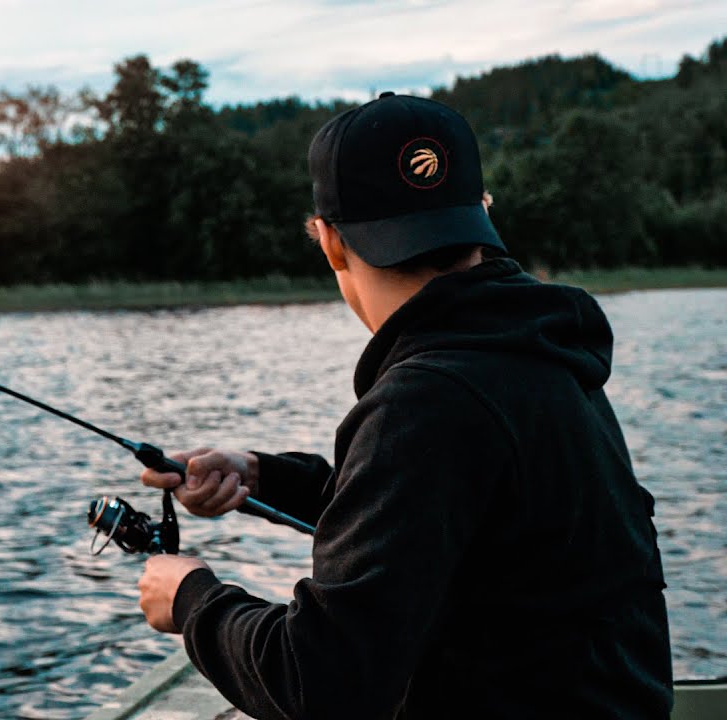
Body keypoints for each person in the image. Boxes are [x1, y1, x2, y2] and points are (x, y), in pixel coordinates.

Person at [136, 93, 673, 718]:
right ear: (482, 213)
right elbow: (440, 513)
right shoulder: (543, 354)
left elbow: (322, 685)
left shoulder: (425, 402)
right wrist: (262, 475)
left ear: (330, 241)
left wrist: (194, 601)